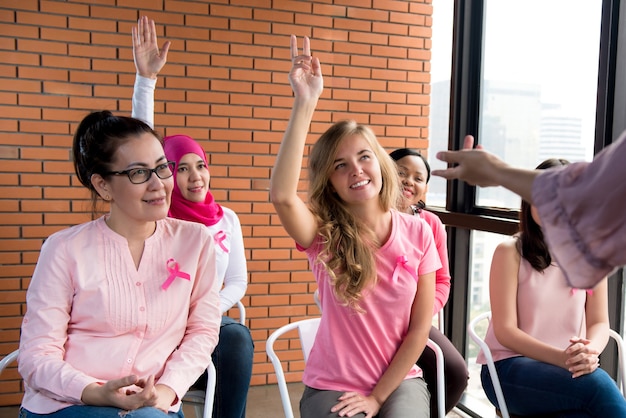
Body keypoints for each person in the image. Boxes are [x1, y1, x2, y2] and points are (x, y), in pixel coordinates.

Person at [270, 35, 440, 418]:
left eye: (364, 157)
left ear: (380, 164)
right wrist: (305, 103)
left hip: (399, 382)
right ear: (329, 180)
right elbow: (282, 196)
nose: (356, 170)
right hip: (331, 385)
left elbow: (418, 331)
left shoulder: (419, 233)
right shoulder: (322, 233)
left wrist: (379, 397)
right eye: (340, 164)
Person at [17, 110, 221, 417]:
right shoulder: (64, 249)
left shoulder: (195, 241)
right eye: (138, 173)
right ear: (103, 186)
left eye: (162, 168)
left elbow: (202, 332)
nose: (158, 184)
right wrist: (95, 391)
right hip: (69, 402)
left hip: (154, 406)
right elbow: (36, 355)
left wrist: (167, 391)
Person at [130, 16, 254, 418]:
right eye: (180, 167)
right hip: (157, 329)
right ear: (165, 173)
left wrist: (207, 307)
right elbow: (140, 150)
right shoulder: (159, 217)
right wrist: (145, 82)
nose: (194, 175)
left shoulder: (226, 219)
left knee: (236, 338)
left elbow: (237, 281)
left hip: (206, 326)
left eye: (199, 165)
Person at [477, 158, 626, 417]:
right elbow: (505, 331)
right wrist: (562, 358)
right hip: (509, 368)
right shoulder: (510, 253)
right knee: (599, 387)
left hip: (566, 373)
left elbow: (600, 322)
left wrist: (590, 351)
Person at [433, 134, 626, 290]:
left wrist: (497, 172)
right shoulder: (511, 252)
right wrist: (496, 172)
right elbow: (587, 193)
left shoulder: (588, 251)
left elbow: (585, 193)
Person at [389, 148, 468, 417]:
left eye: (418, 178)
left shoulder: (430, 224)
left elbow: (442, 281)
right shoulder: (367, 217)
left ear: (424, 189)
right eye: (401, 173)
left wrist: (422, 315)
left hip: (416, 323)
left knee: (455, 373)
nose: (409, 181)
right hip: (375, 322)